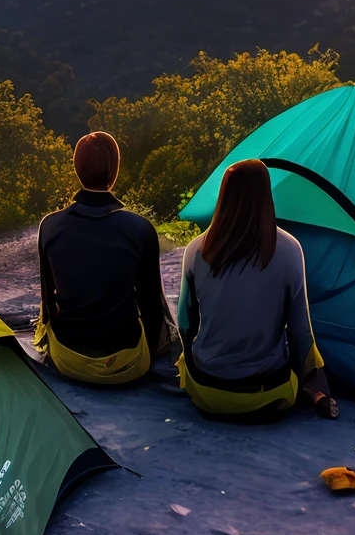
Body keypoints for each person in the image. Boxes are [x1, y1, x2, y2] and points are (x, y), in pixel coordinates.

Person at [177, 159, 338, 420]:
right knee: (308, 356)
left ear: (223, 195)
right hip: (270, 395)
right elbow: (300, 333)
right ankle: (316, 392)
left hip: (207, 393)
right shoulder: (289, 248)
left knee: (184, 361)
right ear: (266, 195)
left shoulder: (196, 249)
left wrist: (193, 361)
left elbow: (185, 325)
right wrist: (309, 376)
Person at [34, 131, 178, 385]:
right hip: (127, 365)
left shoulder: (49, 226)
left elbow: (48, 303)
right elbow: (152, 307)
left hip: (67, 361)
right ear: (113, 174)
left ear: (77, 170)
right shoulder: (140, 228)